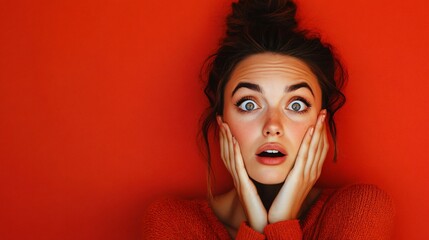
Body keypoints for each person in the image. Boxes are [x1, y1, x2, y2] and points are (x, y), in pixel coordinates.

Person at [143, 0, 395, 239]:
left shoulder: (360, 210)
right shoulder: (173, 222)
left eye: (296, 105)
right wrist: (263, 227)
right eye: (249, 104)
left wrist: (279, 223)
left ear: (321, 120)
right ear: (222, 121)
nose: (272, 126)